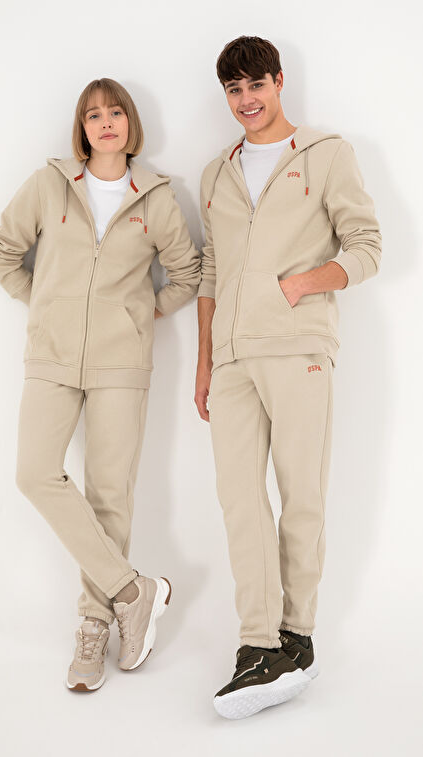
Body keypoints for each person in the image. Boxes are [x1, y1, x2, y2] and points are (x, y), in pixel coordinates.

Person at [0, 77, 201, 691]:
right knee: (34, 473)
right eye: (93, 115)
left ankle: (93, 626)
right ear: (81, 129)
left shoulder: (156, 197)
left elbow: (187, 273)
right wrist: (45, 306)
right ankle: (132, 591)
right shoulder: (50, 184)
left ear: (131, 123)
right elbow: (3, 251)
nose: (105, 123)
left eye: (115, 113)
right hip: (51, 355)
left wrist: (140, 314)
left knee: (110, 495)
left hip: (121, 364)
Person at [195, 36, 381, 719]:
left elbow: (366, 247)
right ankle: (256, 644)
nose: (246, 100)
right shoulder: (216, 173)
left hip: (298, 344)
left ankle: (296, 637)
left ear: (278, 82)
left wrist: (298, 285)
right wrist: (204, 359)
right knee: (239, 501)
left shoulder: (325, 153)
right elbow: (212, 269)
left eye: (256, 85)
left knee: (301, 492)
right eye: (234, 90)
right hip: (232, 358)